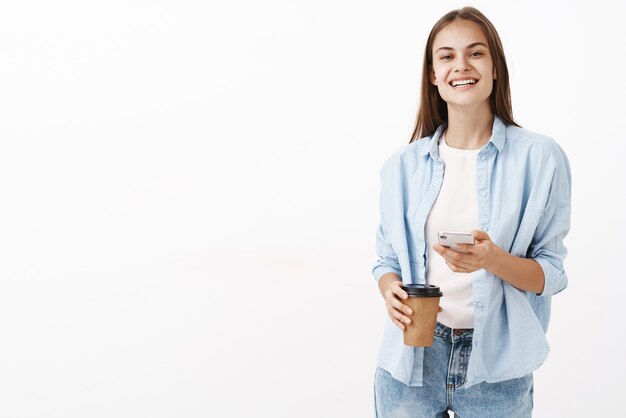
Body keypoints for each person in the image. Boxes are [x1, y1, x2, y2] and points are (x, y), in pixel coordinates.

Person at [371, 6, 571, 418]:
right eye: (446, 56)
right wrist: (388, 287)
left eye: (475, 53)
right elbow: (386, 260)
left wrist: (491, 260)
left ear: (495, 66)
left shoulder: (539, 157)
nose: (460, 66)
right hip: (411, 359)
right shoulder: (402, 166)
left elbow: (550, 274)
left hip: (496, 365)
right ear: (432, 74)